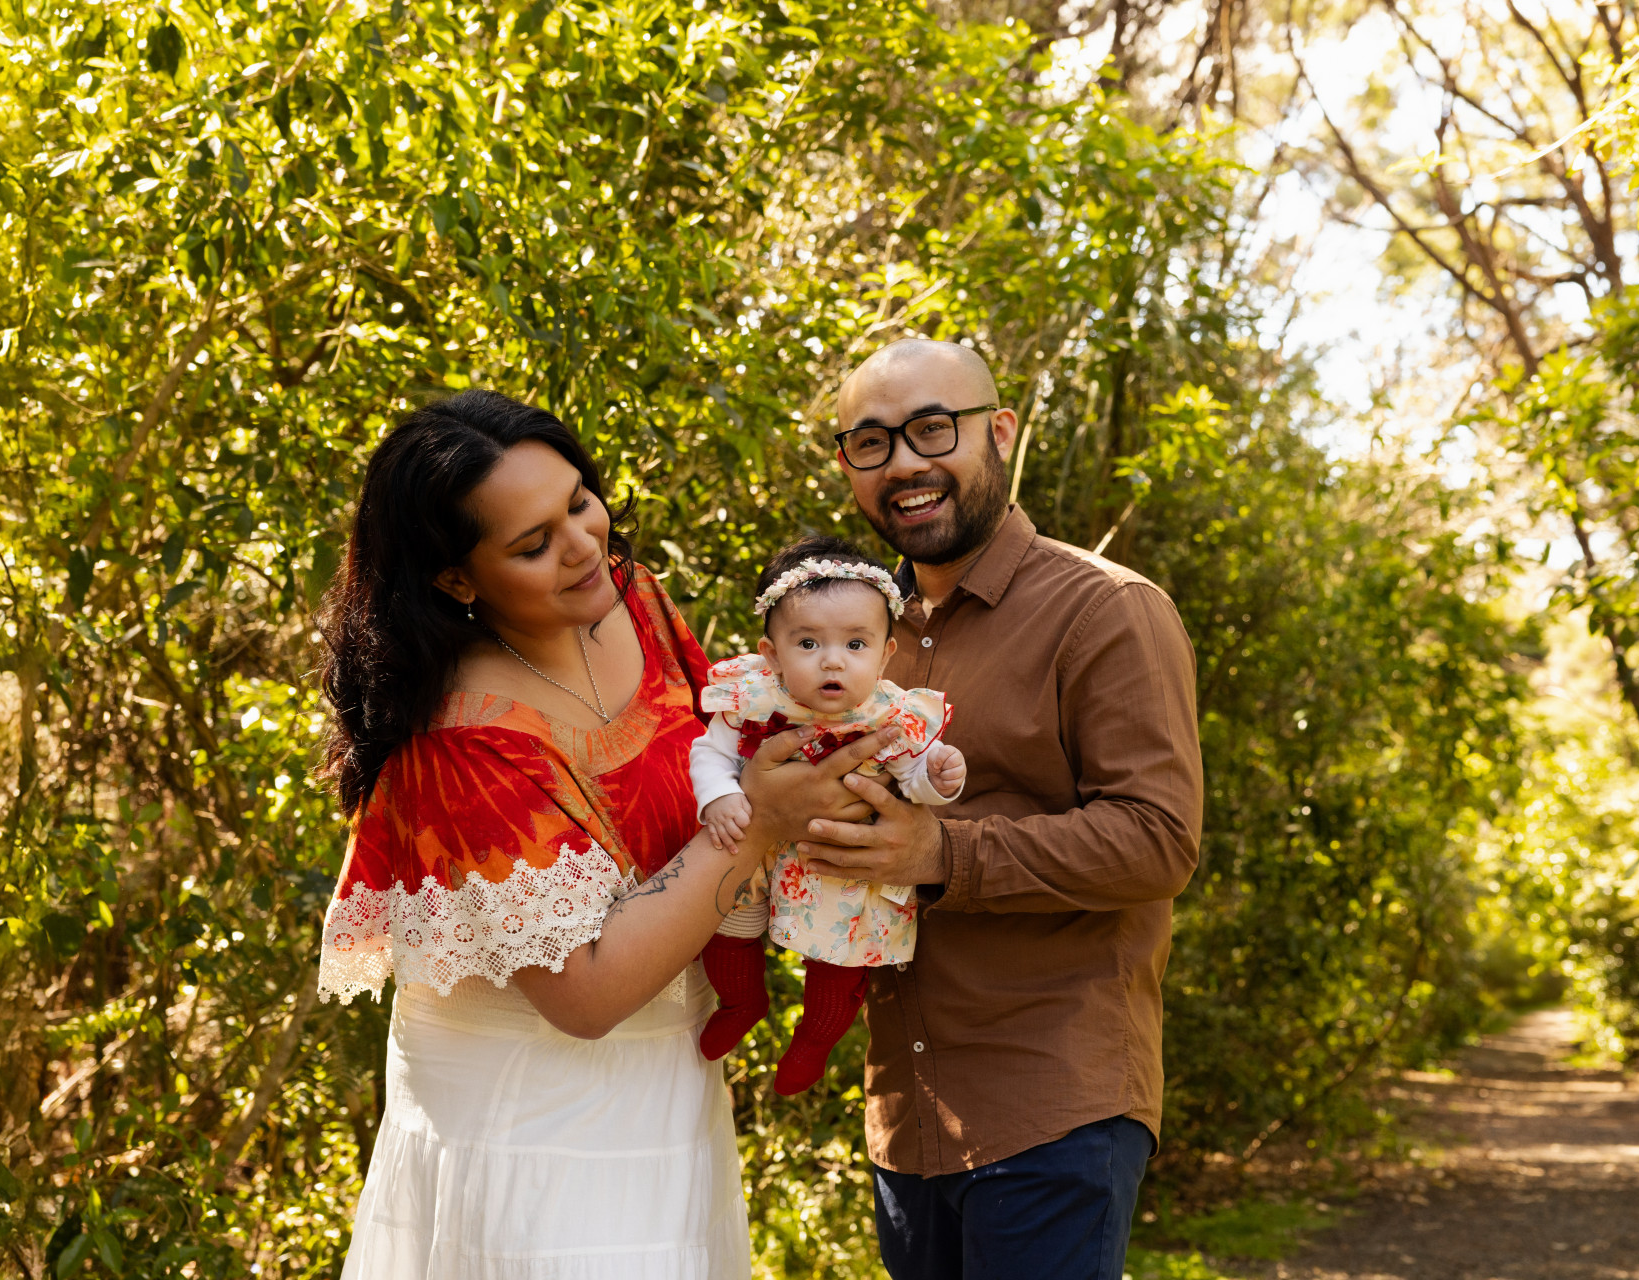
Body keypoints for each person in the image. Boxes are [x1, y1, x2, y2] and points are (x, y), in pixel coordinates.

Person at [740, 340, 1204, 1279]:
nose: (905, 464)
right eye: (872, 443)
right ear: (848, 468)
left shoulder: (1106, 610)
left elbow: (1159, 841)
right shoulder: (852, 640)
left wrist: (941, 854)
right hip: (906, 1115)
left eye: (930, 430)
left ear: (999, 433)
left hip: (1055, 1105)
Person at [314, 389, 770, 1278]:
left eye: (578, 502)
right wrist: (763, 827)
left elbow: (728, 746)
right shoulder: (461, 741)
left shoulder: (634, 600)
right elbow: (587, 997)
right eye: (532, 544)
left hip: (670, 1084)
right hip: (527, 1119)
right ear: (456, 578)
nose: (583, 545)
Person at [687, 535, 968, 1094]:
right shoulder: (755, 696)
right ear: (772, 653)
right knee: (725, 925)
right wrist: (718, 795)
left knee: (841, 962)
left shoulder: (893, 713)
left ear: (887, 652)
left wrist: (936, 779)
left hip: (837, 854)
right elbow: (709, 752)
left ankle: (814, 1043)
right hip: (757, 843)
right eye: (809, 642)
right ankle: (741, 1001)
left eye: (856, 644)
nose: (833, 660)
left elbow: (912, 776)